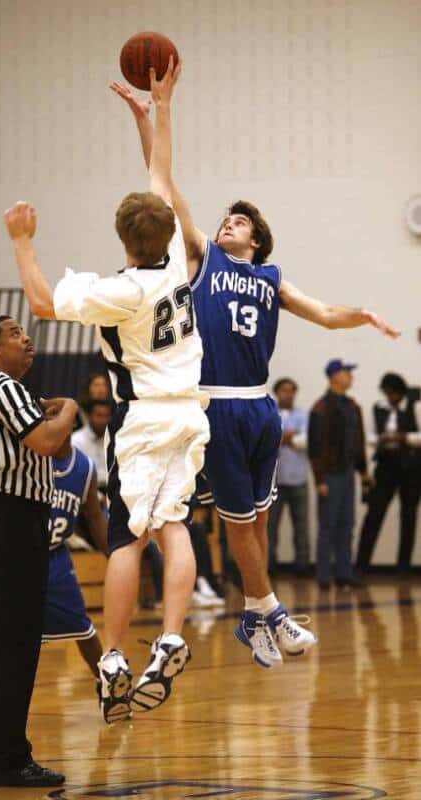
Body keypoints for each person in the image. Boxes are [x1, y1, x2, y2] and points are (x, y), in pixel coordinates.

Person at [112, 76, 399, 668]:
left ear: (257, 239)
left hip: (259, 404)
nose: (227, 224)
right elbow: (162, 187)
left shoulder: (271, 279)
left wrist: (362, 315)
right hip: (213, 403)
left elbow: (323, 313)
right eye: (226, 219)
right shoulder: (203, 256)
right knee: (238, 523)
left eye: (238, 222)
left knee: (257, 520)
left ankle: (253, 616)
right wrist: (152, 118)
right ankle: (270, 609)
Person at [4, 59, 210, 722]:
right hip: (191, 411)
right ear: (162, 230)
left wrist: (23, 242)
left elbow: (38, 300)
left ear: (124, 237)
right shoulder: (178, 251)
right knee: (175, 525)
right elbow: (161, 175)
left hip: (145, 418)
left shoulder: (118, 293)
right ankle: (174, 634)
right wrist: (154, 111)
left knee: (127, 535)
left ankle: (116, 652)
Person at [0, 315, 77, 787]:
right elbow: (46, 442)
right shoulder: (4, 388)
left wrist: (57, 421)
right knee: (16, 643)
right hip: (12, 518)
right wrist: (71, 409)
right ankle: (8, 757)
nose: (26, 338)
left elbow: (50, 448)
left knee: (7, 641)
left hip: (3, 518)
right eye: (15, 333)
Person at [0, 435, 108, 692]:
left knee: (83, 630)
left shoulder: (85, 469)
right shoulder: (23, 460)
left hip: (54, 560)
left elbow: (94, 517)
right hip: (11, 556)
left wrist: (112, 555)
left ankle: (108, 687)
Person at [308, 359, 371, 589]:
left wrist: (363, 471)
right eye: (347, 373)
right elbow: (316, 447)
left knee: (347, 525)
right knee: (328, 525)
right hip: (330, 476)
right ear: (334, 376)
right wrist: (320, 479)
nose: (350, 377)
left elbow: (359, 440)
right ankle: (324, 577)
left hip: (348, 474)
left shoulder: (353, 406)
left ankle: (344, 574)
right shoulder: (321, 408)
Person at [356, 373, 421, 576]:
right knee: (374, 513)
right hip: (386, 465)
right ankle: (361, 566)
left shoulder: (416, 406)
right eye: (387, 393)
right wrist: (382, 439)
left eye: (394, 394)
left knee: (408, 515)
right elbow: (370, 436)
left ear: (402, 393)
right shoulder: (378, 407)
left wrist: (404, 437)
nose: (390, 397)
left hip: (412, 467)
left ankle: (403, 567)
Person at [267, 378, 311, 577]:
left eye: (292, 391)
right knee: (270, 527)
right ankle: (269, 565)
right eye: (284, 390)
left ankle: (302, 566)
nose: (288, 394)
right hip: (272, 481)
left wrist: (281, 437)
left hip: (298, 479)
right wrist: (287, 437)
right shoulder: (269, 413)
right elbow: (266, 439)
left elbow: (306, 441)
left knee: (301, 525)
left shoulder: (303, 415)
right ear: (277, 393)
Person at [72, 398, 112, 492]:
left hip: (111, 491)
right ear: (89, 416)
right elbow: (75, 477)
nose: (103, 420)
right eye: (99, 415)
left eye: (106, 416)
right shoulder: (76, 441)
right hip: (85, 491)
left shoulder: (114, 440)